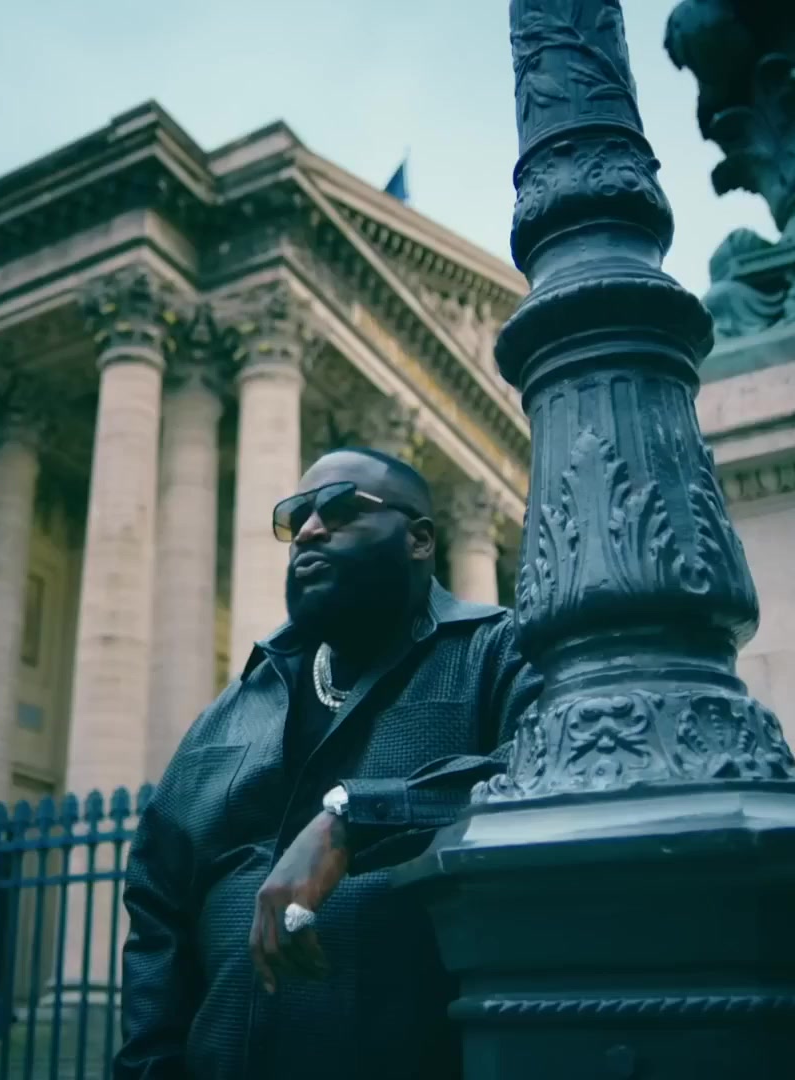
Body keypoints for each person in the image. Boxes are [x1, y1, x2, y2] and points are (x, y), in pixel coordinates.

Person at [116, 447, 543, 1080]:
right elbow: (158, 904)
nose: (309, 530)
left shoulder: (495, 652)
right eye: (297, 518)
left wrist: (354, 819)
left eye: (340, 509)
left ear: (419, 540)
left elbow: (554, 770)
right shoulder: (235, 707)